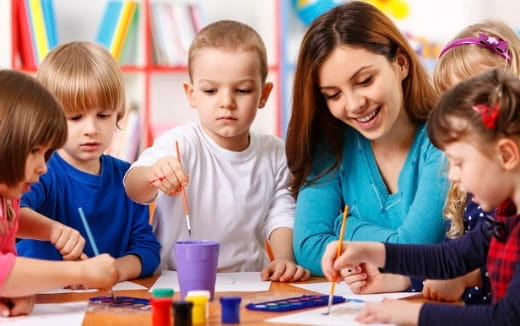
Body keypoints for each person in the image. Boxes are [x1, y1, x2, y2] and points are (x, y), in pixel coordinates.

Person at [322, 68, 520, 326]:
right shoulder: (503, 218)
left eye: (459, 163)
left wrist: (411, 314)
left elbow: (507, 318)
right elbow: (450, 259)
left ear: (506, 155)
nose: (452, 176)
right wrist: (366, 251)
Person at [343, 21, 520, 302]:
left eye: (470, 98)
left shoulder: (502, 195)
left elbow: (503, 294)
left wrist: (463, 281)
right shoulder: (480, 189)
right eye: (449, 99)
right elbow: (452, 258)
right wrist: (397, 277)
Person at [124, 20, 310, 282]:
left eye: (242, 90)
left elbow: (282, 214)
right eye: (211, 90)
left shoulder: (275, 153)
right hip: (176, 279)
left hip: (250, 279)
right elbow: (134, 188)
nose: (226, 103)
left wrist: (284, 259)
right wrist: (154, 174)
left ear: (264, 94)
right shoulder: (180, 144)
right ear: (191, 94)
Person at [285, 1, 448, 278]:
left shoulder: (443, 142)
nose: (354, 104)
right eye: (333, 95)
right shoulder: (332, 143)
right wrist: (391, 249)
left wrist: (345, 228)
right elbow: (308, 247)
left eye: (364, 81)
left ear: (400, 64)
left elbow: (416, 252)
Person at [16, 42, 161, 282]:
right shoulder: (39, 172)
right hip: (44, 303)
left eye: (103, 115)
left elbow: (148, 250)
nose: (91, 129)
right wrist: (53, 230)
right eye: (75, 117)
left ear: (119, 114)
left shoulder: (129, 178)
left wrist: (114, 270)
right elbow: (12, 217)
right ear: (48, 119)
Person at [0, 70, 118, 317]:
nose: (43, 167)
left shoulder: (8, 198)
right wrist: (83, 273)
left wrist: (52, 230)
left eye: (46, 154)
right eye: (34, 150)